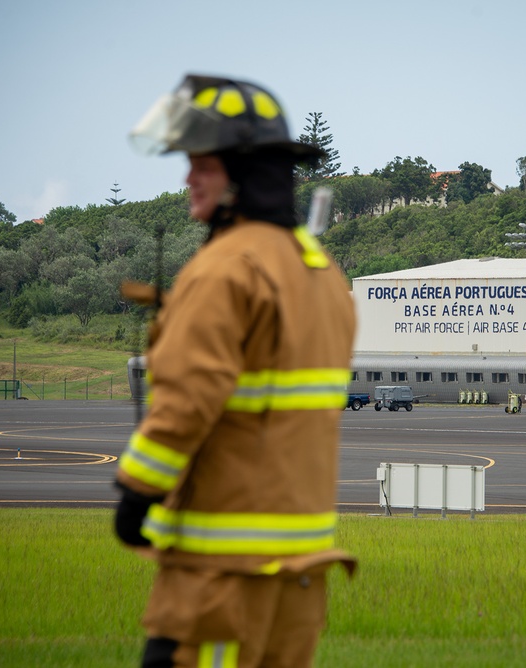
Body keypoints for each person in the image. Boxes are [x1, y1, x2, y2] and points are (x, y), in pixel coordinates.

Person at [114, 74, 356, 668]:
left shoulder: (225, 267)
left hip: (223, 575)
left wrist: (137, 491)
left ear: (242, 174)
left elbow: (188, 400)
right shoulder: (322, 272)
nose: (188, 178)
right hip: (299, 575)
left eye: (203, 164)